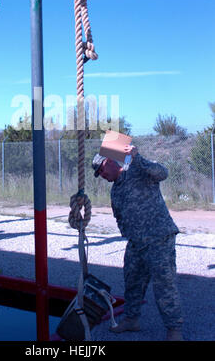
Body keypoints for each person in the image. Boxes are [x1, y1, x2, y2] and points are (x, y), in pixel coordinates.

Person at [92, 145, 184, 341]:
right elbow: (119, 217)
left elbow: (162, 173)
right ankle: (132, 320)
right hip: (136, 243)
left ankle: (174, 330)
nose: (101, 175)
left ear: (109, 162)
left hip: (159, 238)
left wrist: (137, 157)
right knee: (132, 283)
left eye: (101, 169)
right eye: (98, 173)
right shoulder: (115, 190)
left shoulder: (136, 169)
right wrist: (129, 235)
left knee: (164, 286)